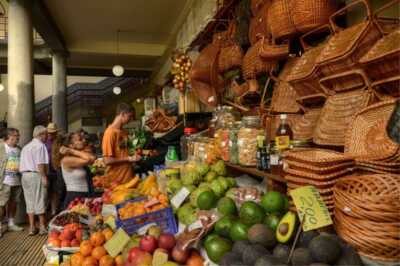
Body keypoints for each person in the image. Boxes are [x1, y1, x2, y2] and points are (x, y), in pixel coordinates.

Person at [20, 125, 49, 236]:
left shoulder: (26, 147)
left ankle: (32, 227)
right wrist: (44, 177)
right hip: (36, 175)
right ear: (41, 135)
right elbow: (40, 163)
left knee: (30, 201)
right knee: (40, 199)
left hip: (25, 176)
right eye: (45, 134)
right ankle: (42, 227)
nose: (47, 136)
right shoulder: (40, 146)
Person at [102, 103, 140, 186]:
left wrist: (134, 156)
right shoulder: (110, 133)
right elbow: (107, 160)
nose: (131, 119)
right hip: (116, 182)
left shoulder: (123, 132)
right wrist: (129, 159)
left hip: (128, 180)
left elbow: (123, 152)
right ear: (122, 114)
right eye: (130, 116)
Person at [60, 133, 95, 209]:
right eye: (80, 139)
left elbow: (92, 158)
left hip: (83, 195)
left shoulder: (76, 156)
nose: (83, 140)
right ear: (71, 145)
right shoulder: (66, 160)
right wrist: (71, 151)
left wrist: (72, 151)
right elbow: (88, 159)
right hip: (75, 196)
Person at [0, 128, 24, 237]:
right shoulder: (1, 147)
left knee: (14, 203)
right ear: (8, 136)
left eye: (18, 135)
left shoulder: (19, 149)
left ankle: (11, 223)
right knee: (1, 204)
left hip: (17, 181)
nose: (18, 137)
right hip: (4, 181)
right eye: (16, 135)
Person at [45, 123, 60, 216]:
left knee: (55, 191)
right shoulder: (44, 141)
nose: (51, 134)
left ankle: (54, 211)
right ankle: (46, 210)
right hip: (46, 169)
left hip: (55, 169)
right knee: (46, 191)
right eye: (49, 133)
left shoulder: (58, 141)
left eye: (53, 133)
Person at [51, 133, 66, 213]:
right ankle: (60, 210)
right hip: (61, 169)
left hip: (57, 169)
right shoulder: (61, 147)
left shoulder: (54, 145)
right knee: (61, 191)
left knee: (58, 192)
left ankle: (57, 211)